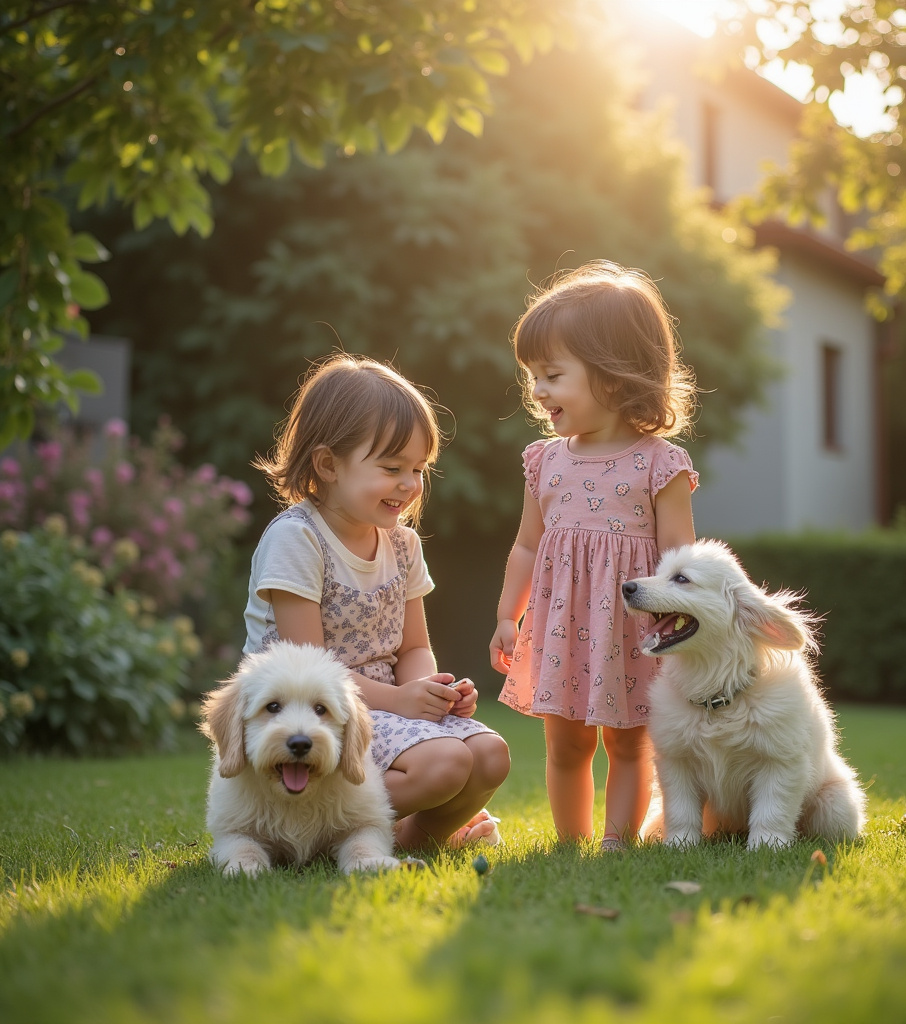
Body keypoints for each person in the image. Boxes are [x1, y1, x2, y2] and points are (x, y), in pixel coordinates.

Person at [243, 351, 509, 851]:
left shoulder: (403, 544)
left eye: (419, 468)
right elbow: (310, 668)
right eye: (392, 467)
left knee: (491, 753)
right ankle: (298, 829)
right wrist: (400, 702)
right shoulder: (297, 540)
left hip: (384, 707)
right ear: (328, 464)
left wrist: (430, 693)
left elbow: (413, 648)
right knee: (446, 762)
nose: (409, 485)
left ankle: (407, 841)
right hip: (317, 715)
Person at [489, 261, 698, 850]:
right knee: (566, 743)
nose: (537, 389)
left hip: (634, 628)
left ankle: (616, 842)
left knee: (631, 741)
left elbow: (679, 559)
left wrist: (683, 627)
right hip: (562, 626)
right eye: (533, 374)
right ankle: (568, 842)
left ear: (611, 375)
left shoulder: (661, 464)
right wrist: (510, 614)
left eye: (552, 374)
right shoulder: (544, 461)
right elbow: (527, 544)